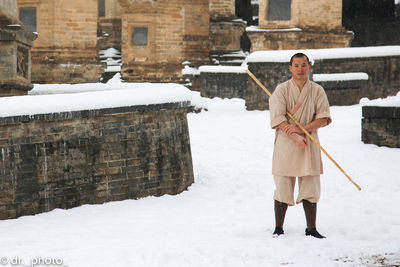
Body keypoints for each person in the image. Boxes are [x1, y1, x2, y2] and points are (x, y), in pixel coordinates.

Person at [269, 53, 332, 239]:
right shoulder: (281, 90)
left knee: (311, 185)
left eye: (303, 65)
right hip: (285, 143)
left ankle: (311, 228)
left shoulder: (317, 90)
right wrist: (293, 134)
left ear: (309, 67)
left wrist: (302, 130)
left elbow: (323, 117)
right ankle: (278, 228)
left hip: (309, 141)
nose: (300, 69)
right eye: (296, 65)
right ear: (290, 68)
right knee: (282, 184)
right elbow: (277, 118)